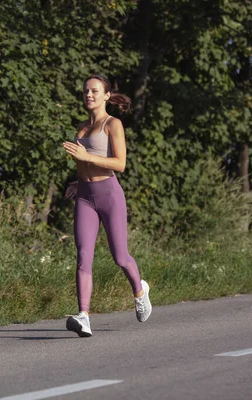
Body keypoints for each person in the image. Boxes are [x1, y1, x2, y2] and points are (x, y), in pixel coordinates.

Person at [62, 74, 152, 338]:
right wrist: (79, 184)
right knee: (83, 257)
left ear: (106, 96)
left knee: (120, 257)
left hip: (109, 195)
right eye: (85, 91)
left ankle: (139, 290)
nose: (88, 95)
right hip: (86, 197)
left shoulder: (113, 124)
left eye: (94, 91)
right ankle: (84, 315)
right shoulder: (81, 128)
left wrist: (86, 156)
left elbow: (120, 164)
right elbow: (85, 165)